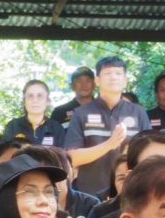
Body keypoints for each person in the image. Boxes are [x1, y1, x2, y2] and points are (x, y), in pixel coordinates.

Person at [64, 56, 151, 198]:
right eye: (108, 73)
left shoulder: (138, 112)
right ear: (97, 81)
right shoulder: (81, 113)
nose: (113, 77)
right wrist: (109, 144)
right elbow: (72, 158)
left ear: (125, 80)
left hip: (130, 194)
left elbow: (148, 155)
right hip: (89, 195)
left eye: (118, 73)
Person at [3, 80, 65, 148]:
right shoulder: (13, 126)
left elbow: (61, 154)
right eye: (30, 96)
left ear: (48, 101)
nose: (35, 100)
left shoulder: (56, 128)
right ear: (24, 102)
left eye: (40, 96)